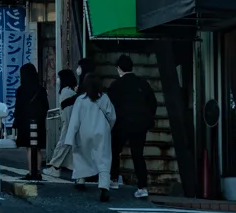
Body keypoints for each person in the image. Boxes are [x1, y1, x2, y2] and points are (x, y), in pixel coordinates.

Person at [59, 74, 117, 202]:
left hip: (84, 132)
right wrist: (108, 128)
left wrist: (69, 139)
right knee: (103, 159)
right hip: (102, 132)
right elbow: (112, 117)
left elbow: (75, 121)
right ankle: (104, 186)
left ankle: (80, 179)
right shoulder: (104, 98)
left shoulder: (81, 99)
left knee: (81, 155)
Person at [107, 54, 158, 199]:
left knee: (115, 151)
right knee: (138, 154)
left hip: (121, 123)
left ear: (119, 69)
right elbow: (153, 103)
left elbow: (110, 106)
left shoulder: (116, 85)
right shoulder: (142, 83)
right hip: (140, 124)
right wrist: (147, 117)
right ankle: (142, 187)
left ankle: (114, 179)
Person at [13, 63, 49, 180]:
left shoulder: (21, 90)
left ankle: (31, 171)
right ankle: (37, 171)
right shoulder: (41, 89)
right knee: (37, 148)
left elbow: (18, 108)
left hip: (25, 122)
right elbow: (46, 107)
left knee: (29, 147)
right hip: (39, 122)